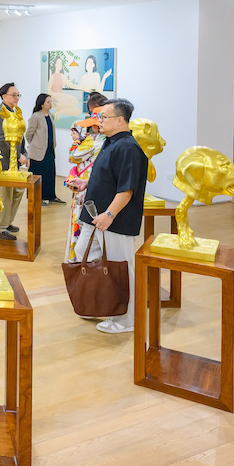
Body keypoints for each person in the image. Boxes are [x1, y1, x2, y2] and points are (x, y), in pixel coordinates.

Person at [68, 98, 149, 334]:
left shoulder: (128, 148)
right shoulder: (110, 143)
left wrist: (110, 214)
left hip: (114, 220)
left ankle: (127, 320)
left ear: (120, 120)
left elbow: (127, 189)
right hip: (96, 217)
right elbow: (108, 176)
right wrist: (85, 183)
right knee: (86, 254)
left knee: (119, 267)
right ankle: (102, 304)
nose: (99, 121)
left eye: (103, 117)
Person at [64, 92, 108, 262]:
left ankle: (77, 260)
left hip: (84, 187)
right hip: (94, 184)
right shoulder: (106, 140)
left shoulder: (94, 140)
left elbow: (72, 155)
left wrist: (76, 140)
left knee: (80, 223)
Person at [0, 83, 28, 239]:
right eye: (14, 95)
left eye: (18, 95)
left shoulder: (15, 111)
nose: (17, 98)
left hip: (15, 161)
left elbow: (21, 135)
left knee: (17, 192)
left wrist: (24, 153)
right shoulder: (0, 114)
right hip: (4, 161)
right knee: (5, 194)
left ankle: (7, 222)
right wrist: (17, 155)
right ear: (4, 96)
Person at [25, 93, 64, 205]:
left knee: (50, 174)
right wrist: (34, 145)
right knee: (37, 175)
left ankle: (51, 196)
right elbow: (28, 134)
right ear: (42, 104)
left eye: (51, 102)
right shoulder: (36, 116)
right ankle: (37, 197)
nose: (51, 104)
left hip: (49, 151)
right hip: (38, 152)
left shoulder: (50, 116)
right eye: (48, 102)